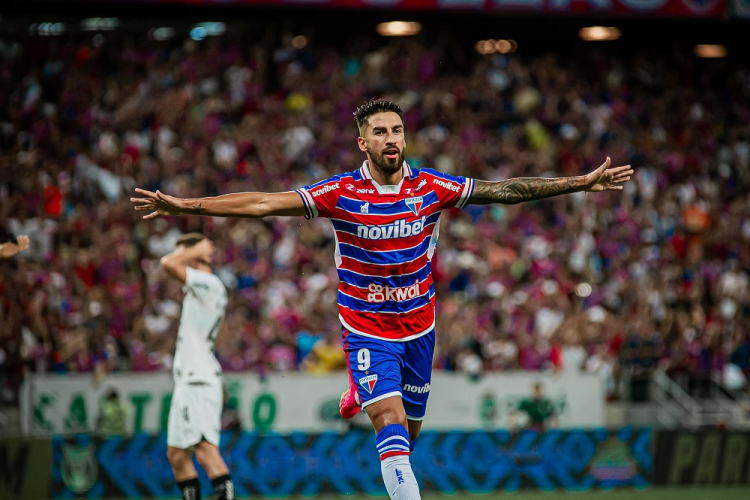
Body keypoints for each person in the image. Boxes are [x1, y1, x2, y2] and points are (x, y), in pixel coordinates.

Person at [132, 98, 633, 500]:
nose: (391, 139)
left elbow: (508, 190)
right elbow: (264, 203)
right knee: (389, 422)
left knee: (408, 437)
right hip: (366, 328)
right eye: (380, 132)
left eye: (396, 130)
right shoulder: (341, 191)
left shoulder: (431, 186)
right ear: (362, 142)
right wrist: (184, 206)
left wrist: (579, 184)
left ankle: (360, 391)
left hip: (420, 327)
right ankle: (366, 390)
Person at [160, 233, 234, 500]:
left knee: (204, 448)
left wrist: (195, 251)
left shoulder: (208, 282)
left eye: (185, 254)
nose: (183, 260)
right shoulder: (202, 287)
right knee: (177, 454)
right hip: (190, 379)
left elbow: (168, 263)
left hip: (198, 380)